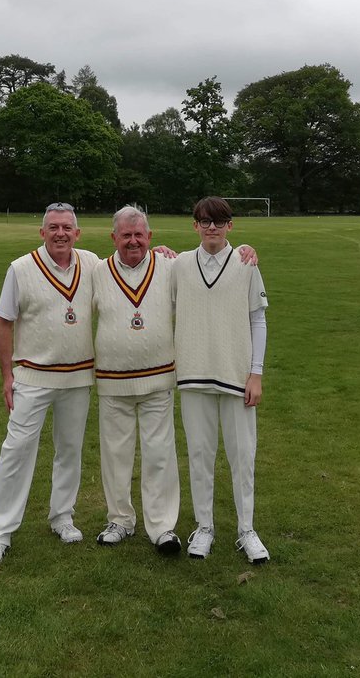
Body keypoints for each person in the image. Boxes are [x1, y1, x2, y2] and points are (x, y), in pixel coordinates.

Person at [91, 206, 258, 556]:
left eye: (140, 235)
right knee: (115, 455)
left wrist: (245, 249)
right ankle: (119, 520)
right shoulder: (98, 271)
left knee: (160, 456)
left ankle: (163, 527)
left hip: (159, 378)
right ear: (114, 238)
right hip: (112, 381)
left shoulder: (169, 265)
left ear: (150, 238)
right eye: (126, 235)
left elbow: (211, 268)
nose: (133, 241)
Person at [0, 203, 101, 567]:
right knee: (16, 451)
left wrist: (160, 254)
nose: (60, 233)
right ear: (42, 232)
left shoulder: (93, 263)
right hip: (32, 376)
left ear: (77, 233)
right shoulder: (20, 268)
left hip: (78, 376)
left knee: (70, 449)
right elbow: (4, 323)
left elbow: (129, 267)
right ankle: (0, 532)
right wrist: (6, 376)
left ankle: (62, 516)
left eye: (67, 227)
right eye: (53, 227)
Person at [173, 196, 271, 564]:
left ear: (231, 225)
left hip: (236, 377)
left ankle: (247, 530)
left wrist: (255, 373)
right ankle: (204, 527)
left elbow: (258, 320)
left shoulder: (246, 263)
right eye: (204, 221)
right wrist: (161, 251)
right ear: (194, 225)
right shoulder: (179, 264)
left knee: (242, 457)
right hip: (193, 375)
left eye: (218, 221)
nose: (211, 227)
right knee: (199, 455)